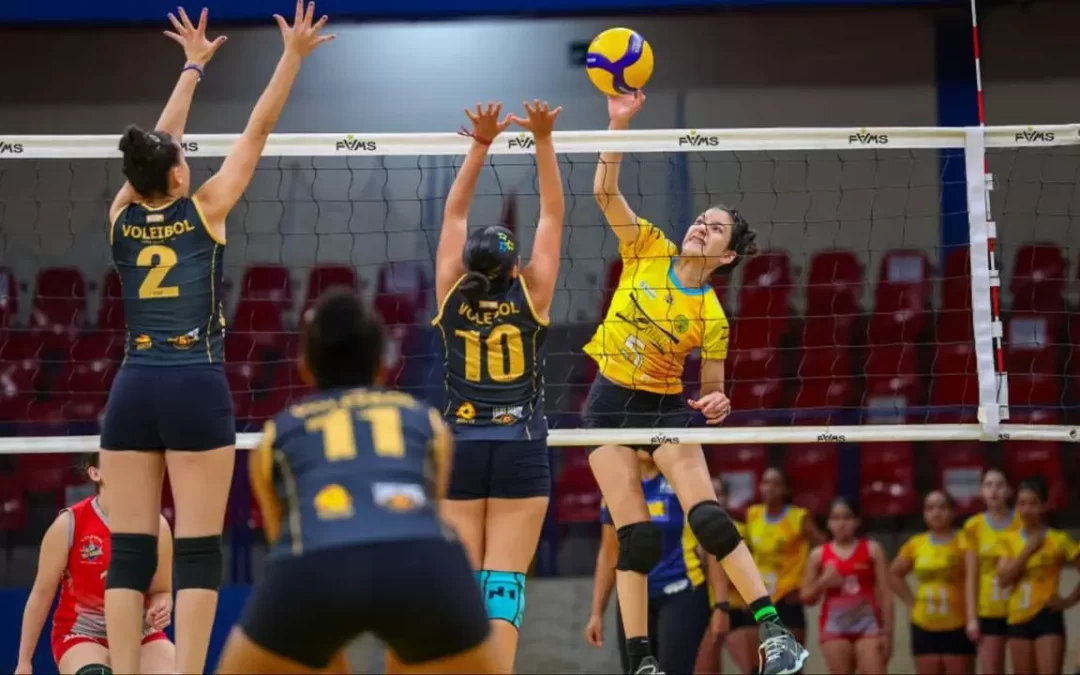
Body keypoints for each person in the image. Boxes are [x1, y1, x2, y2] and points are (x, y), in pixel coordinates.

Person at [99, 4, 333, 673]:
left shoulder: (119, 217)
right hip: (195, 384)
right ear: (176, 175)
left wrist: (193, 68)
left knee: (131, 549)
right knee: (200, 544)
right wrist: (291, 57)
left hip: (133, 385)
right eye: (182, 158)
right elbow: (258, 127)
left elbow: (156, 143)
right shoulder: (207, 210)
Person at [586, 89, 805, 675]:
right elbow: (603, 193)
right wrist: (617, 123)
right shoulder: (647, 248)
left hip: (660, 406)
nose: (702, 228)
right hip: (607, 403)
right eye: (701, 220)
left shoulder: (713, 317)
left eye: (716, 230)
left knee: (707, 519)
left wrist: (716, 402)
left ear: (728, 257)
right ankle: (640, 661)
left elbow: (712, 391)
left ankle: (774, 631)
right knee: (636, 539)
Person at [216, 289, 499, 674]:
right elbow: (431, 512)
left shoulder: (275, 437)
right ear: (382, 365)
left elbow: (284, 538)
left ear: (306, 367)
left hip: (316, 564)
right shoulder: (428, 422)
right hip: (422, 562)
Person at [432, 99, 563, 672]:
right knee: (503, 584)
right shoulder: (532, 292)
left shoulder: (449, 292)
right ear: (514, 269)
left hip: (460, 443)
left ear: (467, 267)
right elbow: (553, 218)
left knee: (459, 589)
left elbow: (452, 217)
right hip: (520, 448)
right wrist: (542, 141)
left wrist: (479, 144)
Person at [16, 454, 175, 675]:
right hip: (81, 632)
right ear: (95, 473)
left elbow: (162, 591)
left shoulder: (157, 525)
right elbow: (42, 594)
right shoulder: (68, 525)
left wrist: (162, 606)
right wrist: (24, 662)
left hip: (140, 633)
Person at [584, 451, 713, 675]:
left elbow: (712, 543)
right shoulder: (617, 487)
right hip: (633, 597)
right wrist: (597, 612)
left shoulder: (681, 479)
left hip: (681, 591)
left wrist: (720, 604)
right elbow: (609, 554)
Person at [996, 476, 1080, 675]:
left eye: (1033, 503)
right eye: (1022, 504)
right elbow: (1003, 579)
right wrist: (1028, 551)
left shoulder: (1058, 538)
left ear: (1043, 506)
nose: (1026, 510)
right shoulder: (1008, 540)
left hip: (1047, 616)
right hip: (1017, 617)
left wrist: (1069, 601)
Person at [740, 468, 826, 654]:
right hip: (760, 601)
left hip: (788, 600)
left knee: (791, 665)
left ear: (786, 490)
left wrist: (810, 583)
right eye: (765, 482)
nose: (769, 488)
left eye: (775, 483)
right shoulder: (753, 514)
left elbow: (825, 551)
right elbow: (745, 555)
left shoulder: (799, 517)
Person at [801, 497, 891, 675]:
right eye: (835, 518)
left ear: (857, 521)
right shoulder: (818, 555)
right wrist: (823, 582)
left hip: (868, 627)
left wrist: (887, 634)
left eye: (847, 517)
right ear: (828, 523)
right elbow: (806, 598)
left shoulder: (873, 550)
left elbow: (886, 596)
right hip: (835, 629)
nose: (841, 523)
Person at [889, 491, 974, 675]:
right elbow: (894, 574)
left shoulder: (963, 540)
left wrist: (973, 616)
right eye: (930, 508)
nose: (936, 513)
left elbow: (974, 578)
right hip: (924, 624)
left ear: (952, 511)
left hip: (958, 623)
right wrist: (910, 603)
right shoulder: (916, 544)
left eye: (942, 507)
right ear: (924, 514)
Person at [693, 477, 757, 675]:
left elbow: (743, 576)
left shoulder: (741, 529)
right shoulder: (686, 532)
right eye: (708, 493)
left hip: (735, 608)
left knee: (752, 670)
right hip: (699, 608)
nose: (713, 499)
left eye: (718, 494)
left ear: (727, 498)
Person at [961, 468, 1019, 674]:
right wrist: (971, 618)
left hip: (1020, 609)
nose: (994, 490)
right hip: (988, 611)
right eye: (988, 485)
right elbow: (971, 575)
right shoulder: (973, 526)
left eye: (1000, 485)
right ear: (981, 491)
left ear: (1010, 491)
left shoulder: (1022, 522)